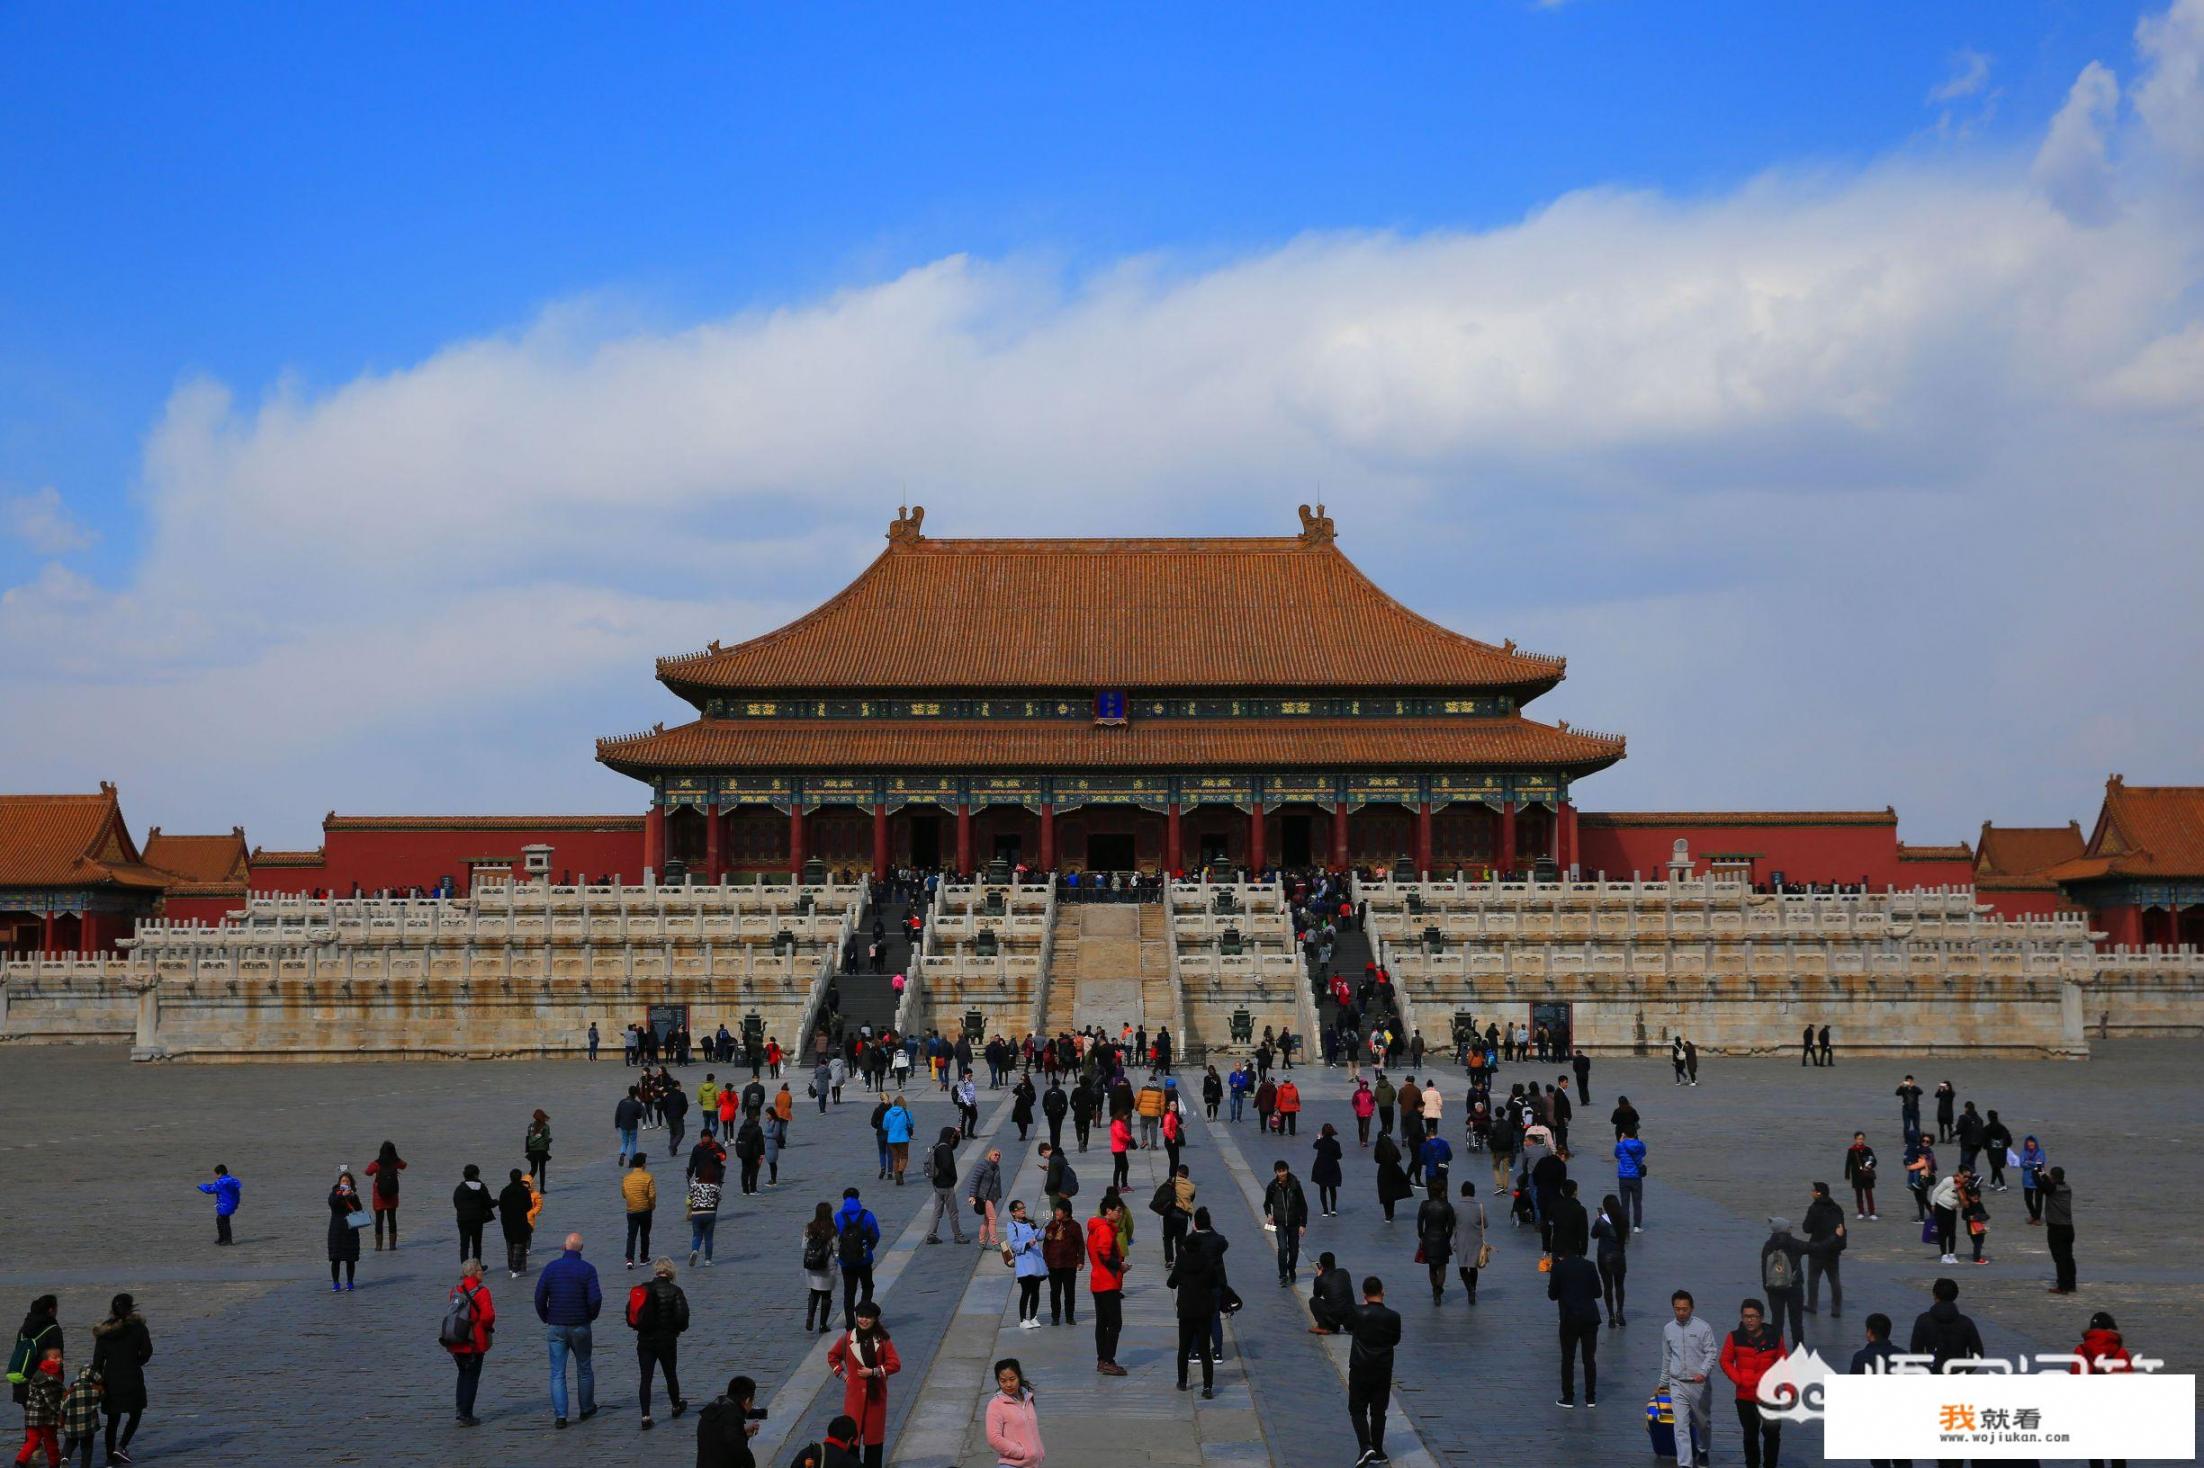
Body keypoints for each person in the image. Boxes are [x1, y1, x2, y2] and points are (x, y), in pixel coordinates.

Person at [534, 1232, 602, 1428]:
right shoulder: (588, 1269)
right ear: (581, 1248)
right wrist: (590, 1316)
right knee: (584, 1368)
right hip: (580, 1325)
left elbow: (539, 1296)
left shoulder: (551, 1268)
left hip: (556, 1325)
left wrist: (546, 1316)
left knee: (557, 1372)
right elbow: (595, 1299)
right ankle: (586, 1408)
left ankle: (561, 1415)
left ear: (564, 1247)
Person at [826, 1302, 901, 1468]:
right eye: (861, 1316)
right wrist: (844, 1376)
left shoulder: (882, 1340)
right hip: (854, 1399)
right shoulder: (848, 1338)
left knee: (874, 1441)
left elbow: (895, 1364)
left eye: (868, 1317)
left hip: (876, 1398)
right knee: (851, 1439)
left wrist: (874, 1371)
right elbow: (832, 1357)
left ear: (875, 1319)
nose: (863, 1320)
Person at [1719, 1299, 1784, 1468]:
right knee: (1750, 1435)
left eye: (1753, 1316)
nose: (1749, 1320)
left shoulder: (1775, 1337)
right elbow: (1725, 1361)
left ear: (1761, 1318)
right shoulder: (1734, 1337)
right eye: (1746, 1316)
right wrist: (1738, 1379)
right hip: (1745, 1395)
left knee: (1772, 1433)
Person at [89, 1292, 152, 1466]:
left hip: (111, 1378)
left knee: (112, 1419)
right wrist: (136, 1362)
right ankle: (122, 1445)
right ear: (131, 1307)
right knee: (136, 1412)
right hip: (132, 1376)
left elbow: (97, 1361)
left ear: (113, 1309)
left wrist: (98, 1380)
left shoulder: (104, 1331)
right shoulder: (139, 1327)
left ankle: (110, 1456)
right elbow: (147, 1352)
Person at [1167, 1209, 1222, 1397]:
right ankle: (1207, 1387)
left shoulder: (1181, 1262)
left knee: (1184, 1348)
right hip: (1204, 1310)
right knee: (1205, 1350)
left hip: (1186, 1310)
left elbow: (1170, 1283)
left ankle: (1182, 1381)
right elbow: (1215, 1282)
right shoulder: (1207, 1263)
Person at [629, 1257, 689, 1430]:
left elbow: (631, 1312)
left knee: (645, 1378)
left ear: (656, 1271)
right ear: (671, 1272)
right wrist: (676, 1329)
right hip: (667, 1340)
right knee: (670, 1374)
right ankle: (676, 1405)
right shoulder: (675, 1290)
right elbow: (682, 1317)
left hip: (645, 1340)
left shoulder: (644, 1288)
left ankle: (645, 1416)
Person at [1346, 1275, 1401, 1464]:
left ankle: (1365, 1446)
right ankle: (1377, 1450)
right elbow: (1395, 1340)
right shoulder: (1394, 1317)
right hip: (1383, 1369)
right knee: (1378, 1411)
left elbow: (1348, 1325)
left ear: (1364, 1294)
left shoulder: (1357, 1312)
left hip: (1360, 1368)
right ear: (1382, 1292)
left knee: (1357, 1409)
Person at [1662, 1291, 1717, 1468]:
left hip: (1699, 1385)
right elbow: (1667, 1357)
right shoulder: (1668, 1329)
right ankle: (1684, 1463)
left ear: (1692, 1308)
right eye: (1677, 1309)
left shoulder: (1703, 1328)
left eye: (1684, 1309)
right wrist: (1662, 1384)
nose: (1681, 1313)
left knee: (1703, 1423)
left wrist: (1703, 1372)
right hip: (1677, 1382)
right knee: (1680, 1425)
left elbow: (1711, 1352)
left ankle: (1702, 1449)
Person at [443, 1258, 495, 1427]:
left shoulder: (455, 1290)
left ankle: (460, 1410)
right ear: (474, 1273)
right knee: (471, 1378)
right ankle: (467, 1414)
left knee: (462, 1375)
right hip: (474, 1342)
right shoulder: (482, 1292)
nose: (483, 1272)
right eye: (481, 1270)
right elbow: (488, 1317)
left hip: (456, 1340)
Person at [1549, 1248, 1602, 1408]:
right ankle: (1590, 1397)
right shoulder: (1590, 1266)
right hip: (1589, 1318)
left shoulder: (1558, 1268)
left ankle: (1568, 1397)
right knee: (1589, 1359)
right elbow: (1598, 1293)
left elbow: (1552, 1295)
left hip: (1569, 1318)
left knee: (1568, 1359)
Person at [1906, 1276, 1984, 1373]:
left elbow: (1916, 1351)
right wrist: (1963, 1370)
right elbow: (1978, 1354)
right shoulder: (1966, 1322)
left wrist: (1928, 1369)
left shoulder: (1923, 1320)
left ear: (1935, 1295)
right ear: (1955, 1295)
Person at [1087, 1194, 1128, 1375]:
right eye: (1118, 1211)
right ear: (1108, 1211)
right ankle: (1108, 1359)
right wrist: (1120, 1265)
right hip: (1107, 1281)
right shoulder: (1104, 1229)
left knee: (1102, 1323)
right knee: (1115, 1323)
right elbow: (1104, 1254)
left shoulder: (1095, 1228)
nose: (1119, 1215)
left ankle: (1102, 1359)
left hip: (1098, 1280)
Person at [835, 1188, 883, 1328]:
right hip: (864, 1259)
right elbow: (876, 1234)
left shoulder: (838, 1216)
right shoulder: (867, 1215)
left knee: (849, 1291)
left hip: (846, 1261)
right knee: (867, 1286)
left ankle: (850, 1323)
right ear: (858, 1198)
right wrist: (869, 1248)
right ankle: (863, 1312)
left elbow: (837, 1237)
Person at [985, 1358, 1044, 1468]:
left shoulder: (1027, 1398)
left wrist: (1039, 1451)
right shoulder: (995, 1405)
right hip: (1012, 1465)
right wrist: (1020, 1453)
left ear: (1019, 1377)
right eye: (1003, 1381)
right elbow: (993, 1438)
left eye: (1012, 1379)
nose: (1008, 1384)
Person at [1803, 1182, 1847, 1317]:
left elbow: (1806, 1228)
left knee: (1813, 1278)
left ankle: (1812, 1305)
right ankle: (1836, 1308)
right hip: (1833, 1248)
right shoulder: (1836, 1208)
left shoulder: (1815, 1208)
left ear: (1818, 1193)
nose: (1811, 1192)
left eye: (1813, 1190)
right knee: (1834, 1279)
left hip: (1817, 1248)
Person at [1264, 1162, 1309, 1286]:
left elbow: (1303, 1206)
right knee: (1283, 1249)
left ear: (1287, 1170)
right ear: (1276, 1173)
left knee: (1294, 1251)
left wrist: (1303, 1224)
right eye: (1279, 1171)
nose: (1282, 1173)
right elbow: (1266, 1204)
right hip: (1279, 1223)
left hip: (1294, 1223)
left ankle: (1291, 1269)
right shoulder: (1272, 1186)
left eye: (1283, 1170)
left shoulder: (1295, 1185)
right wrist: (1268, 1214)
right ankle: (1283, 1275)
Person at [924, 1127, 970, 1245]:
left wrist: (958, 1135)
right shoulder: (945, 1149)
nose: (953, 1139)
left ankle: (931, 1235)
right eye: (953, 1136)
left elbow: (954, 1146)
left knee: (937, 1211)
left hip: (937, 1183)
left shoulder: (938, 1146)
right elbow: (947, 1166)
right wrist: (953, 1178)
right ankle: (958, 1235)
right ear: (949, 1136)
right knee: (953, 1212)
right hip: (946, 1185)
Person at [14, 1348, 60, 1468]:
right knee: (51, 1442)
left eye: (60, 1357)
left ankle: (20, 1461)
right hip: (45, 1417)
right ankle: (55, 1464)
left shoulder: (37, 1374)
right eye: (55, 1357)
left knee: (33, 1440)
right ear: (46, 1360)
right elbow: (51, 1399)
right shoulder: (49, 1378)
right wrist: (59, 1412)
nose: (59, 1360)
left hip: (31, 1416)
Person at [1042, 1199, 1084, 1327]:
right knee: (1055, 1292)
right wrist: (1045, 1259)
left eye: (1059, 1210)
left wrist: (1080, 1261)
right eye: (1056, 1210)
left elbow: (1080, 1245)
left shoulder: (1075, 1226)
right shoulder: (1051, 1225)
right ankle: (1055, 1317)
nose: (1056, 1212)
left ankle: (1070, 1317)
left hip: (1069, 1264)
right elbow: (1046, 1244)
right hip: (1053, 1265)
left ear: (1066, 1212)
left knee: (1069, 1292)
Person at [1007, 1202, 1047, 1329]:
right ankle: (1023, 1319)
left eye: (1023, 1208)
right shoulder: (1012, 1225)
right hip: (1024, 1261)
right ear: (1013, 1212)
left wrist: (1044, 1227)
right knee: (1026, 1290)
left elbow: (1039, 1235)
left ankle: (1033, 1316)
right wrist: (1026, 1244)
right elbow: (1013, 1243)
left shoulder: (1029, 1223)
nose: (1023, 1210)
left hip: (1035, 1260)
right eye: (1019, 1209)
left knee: (1035, 1290)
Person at [1416, 1184, 1457, 1304]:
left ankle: (1435, 1289)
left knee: (1432, 1267)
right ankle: (1438, 1289)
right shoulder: (1447, 1207)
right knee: (1442, 1267)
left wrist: (1422, 1235)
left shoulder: (1424, 1205)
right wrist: (1447, 1237)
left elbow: (1419, 1222)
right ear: (1442, 1193)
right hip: (1442, 1238)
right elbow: (1450, 1226)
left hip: (1428, 1237)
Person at [1592, 1192, 1628, 1326]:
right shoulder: (1623, 1219)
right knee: (1619, 1286)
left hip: (1604, 1256)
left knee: (1608, 1287)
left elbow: (1593, 1235)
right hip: (1619, 1257)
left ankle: (1611, 1316)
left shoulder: (1601, 1221)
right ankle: (1620, 1313)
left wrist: (1598, 1219)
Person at [1451, 1180, 1488, 1306]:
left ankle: (1469, 1289)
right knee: (1473, 1267)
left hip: (1460, 1240)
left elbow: (1451, 1224)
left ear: (1462, 1192)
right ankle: (1473, 1289)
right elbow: (1486, 1224)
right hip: (1476, 1241)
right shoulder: (1480, 1206)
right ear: (1473, 1193)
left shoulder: (1455, 1207)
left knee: (1462, 1267)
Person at [804, 1203, 839, 1333]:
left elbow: (804, 1245)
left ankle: (810, 1316)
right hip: (827, 1266)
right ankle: (822, 1325)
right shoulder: (832, 1229)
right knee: (826, 1295)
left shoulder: (809, 1227)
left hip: (812, 1265)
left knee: (813, 1292)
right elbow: (836, 1249)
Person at [2042, 1165, 2078, 1293]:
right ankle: (2071, 1284)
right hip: (2069, 1228)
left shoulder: (2053, 1190)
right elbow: (2049, 1185)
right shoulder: (2067, 1188)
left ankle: (2062, 1286)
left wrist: (2039, 1173)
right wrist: (2045, 1176)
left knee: (2060, 1259)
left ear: (2053, 1177)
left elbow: (2045, 1187)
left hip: (2056, 1229)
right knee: (2068, 1257)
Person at [452, 1163, 496, 1265]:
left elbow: (456, 1203)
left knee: (464, 1244)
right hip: (477, 1219)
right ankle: (477, 1266)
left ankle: (465, 1268)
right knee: (476, 1243)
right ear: (476, 1175)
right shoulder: (480, 1187)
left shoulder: (459, 1188)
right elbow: (488, 1203)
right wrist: (497, 1201)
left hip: (463, 1219)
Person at [327, 1169, 364, 1291]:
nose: (345, 1183)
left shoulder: (354, 1196)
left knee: (350, 1258)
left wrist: (352, 1197)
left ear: (351, 1183)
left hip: (350, 1229)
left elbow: (359, 1210)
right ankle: (336, 1283)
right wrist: (341, 1195)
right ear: (339, 1183)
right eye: (343, 1181)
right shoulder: (334, 1194)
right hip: (336, 1229)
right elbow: (332, 1204)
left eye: (347, 1181)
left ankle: (350, 1282)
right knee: (335, 1258)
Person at [366, 1141, 406, 1251]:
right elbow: (404, 1165)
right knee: (392, 1220)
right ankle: (392, 1245)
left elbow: (367, 1172)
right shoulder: (396, 1162)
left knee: (379, 1221)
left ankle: (379, 1246)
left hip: (379, 1196)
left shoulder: (377, 1163)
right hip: (392, 1196)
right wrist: (396, 1158)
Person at [621, 1154, 657, 1268]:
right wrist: (652, 1205)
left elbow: (624, 1194)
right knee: (644, 1234)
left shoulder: (626, 1178)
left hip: (631, 1210)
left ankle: (630, 1259)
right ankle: (644, 1257)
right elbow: (652, 1195)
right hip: (645, 1210)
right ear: (643, 1164)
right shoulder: (648, 1177)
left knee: (631, 1235)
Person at [498, 1168, 536, 1277]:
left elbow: (501, 1207)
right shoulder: (524, 1191)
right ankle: (517, 1269)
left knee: (510, 1243)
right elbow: (529, 1206)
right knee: (520, 1243)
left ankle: (511, 1268)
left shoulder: (505, 1190)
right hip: (520, 1220)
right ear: (520, 1178)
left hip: (507, 1221)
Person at [686, 1160, 722, 1268]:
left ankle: (695, 1250)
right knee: (709, 1237)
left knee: (697, 1235)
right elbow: (719, 1198)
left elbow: (691, 1197)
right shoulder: (715, 1185)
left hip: (697, 1212)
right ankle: (708, 1260)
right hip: (710, 1212)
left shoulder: (694, 1184)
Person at [1307, 1252, 1355, 1333]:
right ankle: (1346, 1326)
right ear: (1334, 1262)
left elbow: (1317, 1295)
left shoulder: (1320, 1279)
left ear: (1321, 1265)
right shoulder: (1344, 1272)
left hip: (1335, 1315)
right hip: (1350, 1314)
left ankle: (1323, 1327)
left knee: (1313, 1301)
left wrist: (1319, 1277)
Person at [970, 1146, 1006, 1247]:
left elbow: (997, 1183)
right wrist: (972, 1195)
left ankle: (981, 1242)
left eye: (999, 1155)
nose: (997, 1156)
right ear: (990, 1154)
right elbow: (975, 1181)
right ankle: (994, 1242)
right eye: (995, 1154)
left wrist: (998, 1195)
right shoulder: (983, 1165)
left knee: (987, 1219)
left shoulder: (996, 1166)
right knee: (993, 1218)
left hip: (993, 1197)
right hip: (984, 1197)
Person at [196, 1164, 242, 1245]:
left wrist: (201, 1186)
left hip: (225, 1205)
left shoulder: (221, 1182)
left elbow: (210, 1190)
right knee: (221, 1220)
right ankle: (222, 1238)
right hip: (231, 1203)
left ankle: (227, 1240)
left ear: (219, 1173)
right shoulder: (232, 1180)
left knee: (223, 1221)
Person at [1372, 1131, 1411, 1224]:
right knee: (1392, 1193)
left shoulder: (1379, 1146)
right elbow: (1399, 1157)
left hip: (1383, 1171)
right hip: (1394, 1170)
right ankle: (1391, 1213)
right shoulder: (1392, 1146)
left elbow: (1376, 1159)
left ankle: (1387, 1215)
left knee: (1385, 1193)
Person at [1312, 1123, 1345, 1217]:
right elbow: (1339, 1156)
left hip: (1320, 1167)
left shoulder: (1320, 1142)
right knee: (1332, 1188)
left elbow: (1315, 1146)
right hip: (1332, 1167)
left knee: (1322, 1189)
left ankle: (1325, 1210)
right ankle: (1333, 1209)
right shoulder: (1335, 1143)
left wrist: (1318, 1138)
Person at [1843, 1133, 1879, 1220]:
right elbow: (1848, 1163)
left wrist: (1870, 1165)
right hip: (1856, 1176)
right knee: (1859, 1195)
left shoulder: (1868, 1149)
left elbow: (1874, 1160)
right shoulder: (1851, 1150)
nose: (1860, 1140)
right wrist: (1847, 1175)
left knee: (1869, 1195)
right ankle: (1861, 1212)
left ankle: (1872, 1213)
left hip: (1867, 1175)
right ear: (1855, 1140)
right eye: (1859, 1139)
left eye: (1862, 1139)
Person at [883, 1095, 916, 1185]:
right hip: (903, 1138)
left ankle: (896, 1173)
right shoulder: (906, 1112)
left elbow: (885, 1127)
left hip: (891, 1139)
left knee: (895, 1158)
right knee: (904, 1157)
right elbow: (911, 1124)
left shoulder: (888, 1113)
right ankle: (900, 1172)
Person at [2019, 1136, 2048, 1224]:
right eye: (2029, 1142)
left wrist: (2028, 1162)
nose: (2031, 1144)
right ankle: (2033, 1214)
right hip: (2027, 1179)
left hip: (2038, 1179)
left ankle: (2037, 1218)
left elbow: (2041, 1164)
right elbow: (2022, 1164)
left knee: (2038, 1200)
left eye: (2033, 1142)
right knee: (2028, 1199)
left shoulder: (2040, 1152)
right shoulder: (2023, 1152)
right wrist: (2034, 1164)